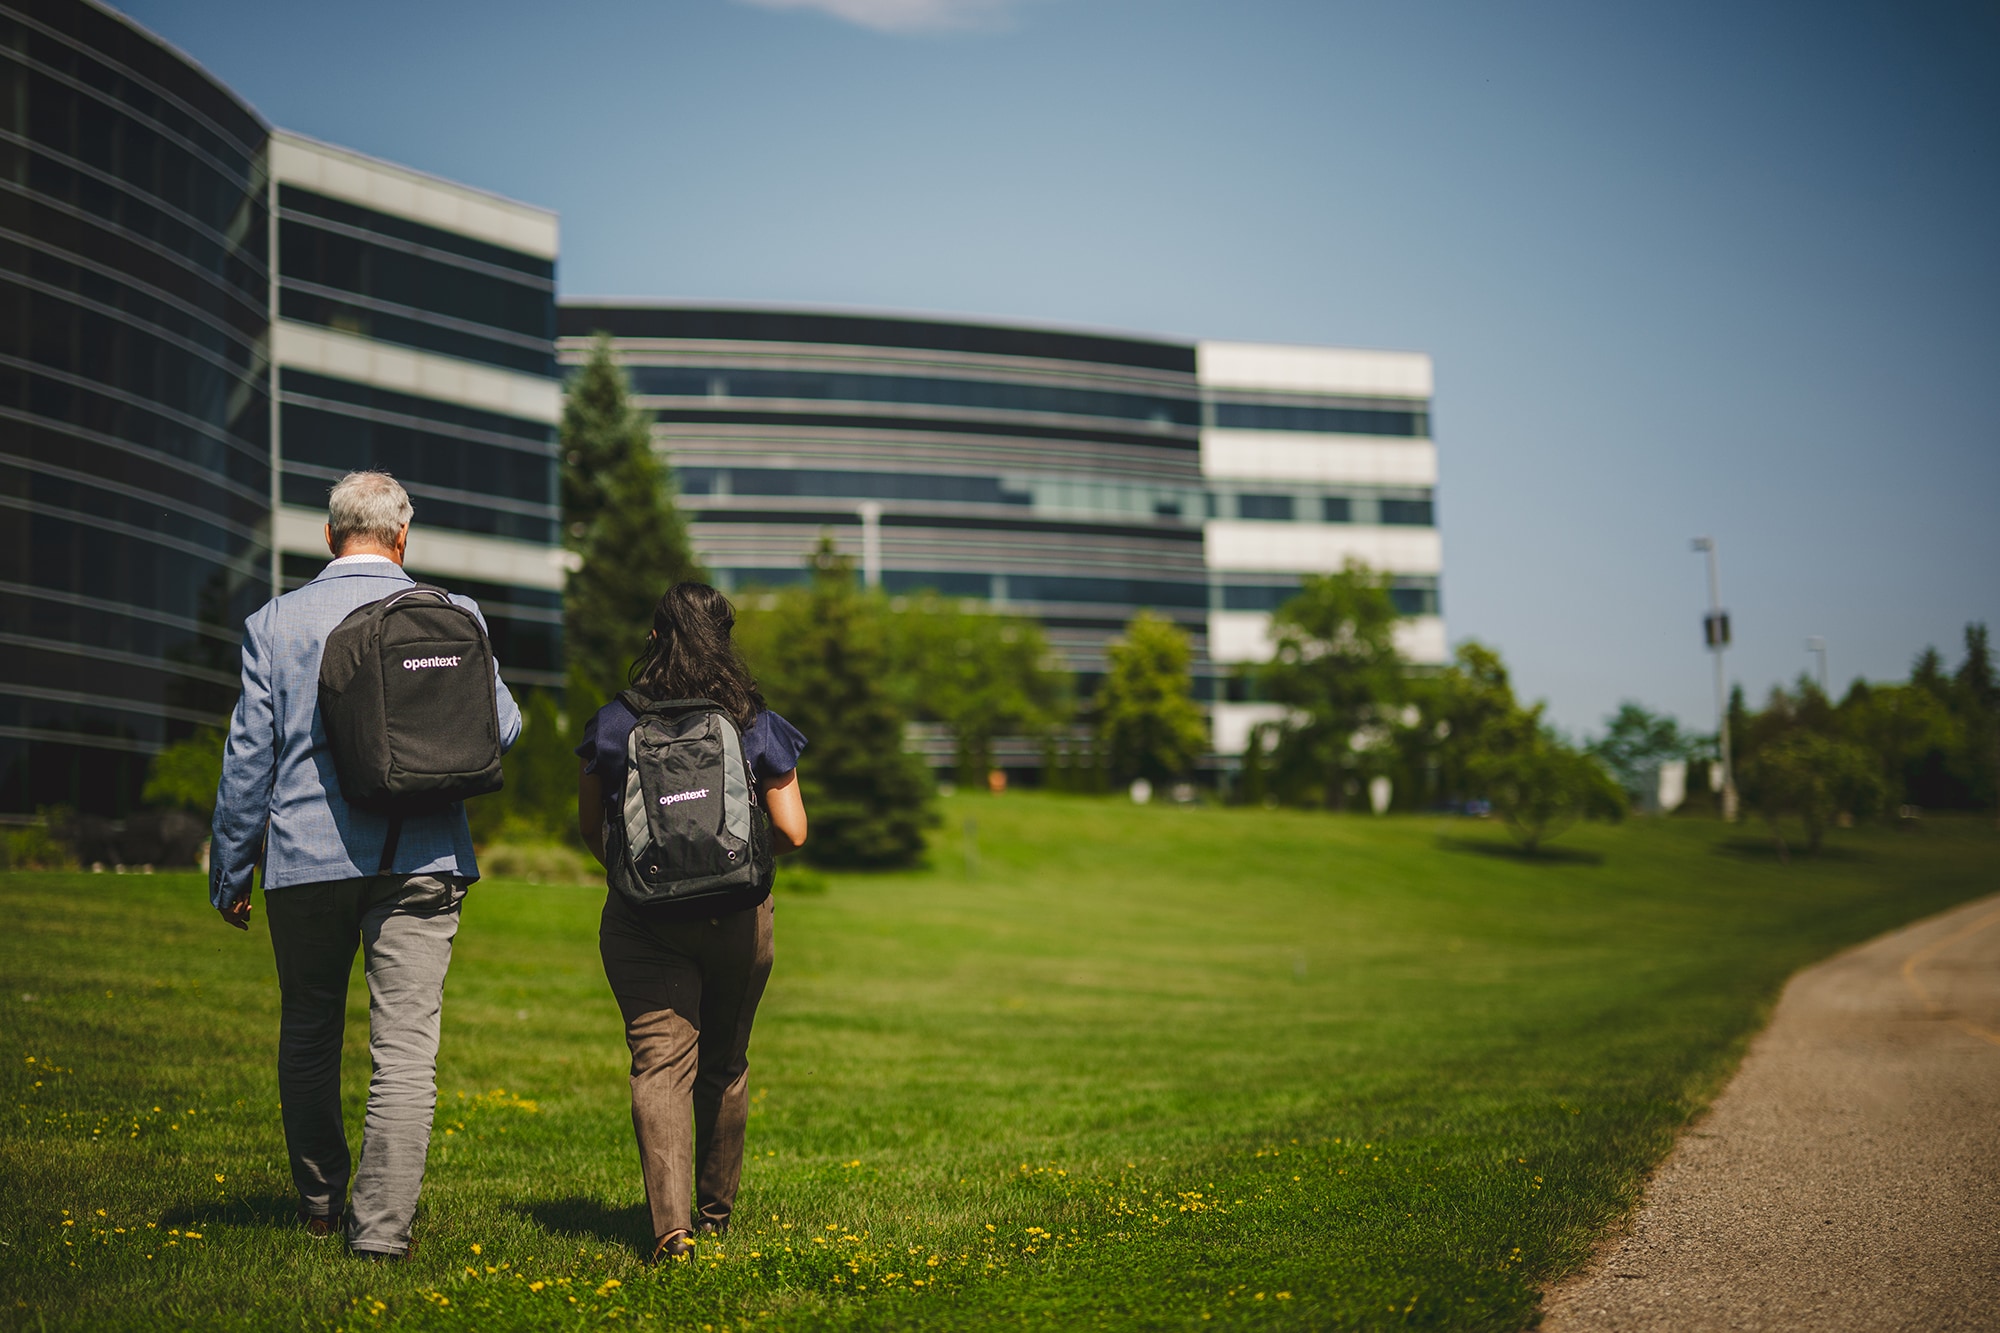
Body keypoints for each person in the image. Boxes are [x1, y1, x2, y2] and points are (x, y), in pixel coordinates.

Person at [209, 470, 521, 1260]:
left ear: (328, 534)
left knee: (310, 1032)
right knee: (407, 1049)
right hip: (423, 856)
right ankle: (380, 1233)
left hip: (308, 859)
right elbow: (505, 725)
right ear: (403, 536)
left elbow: (249, 759)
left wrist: (231, 869)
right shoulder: (455, 617)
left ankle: (318, 1205)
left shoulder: (276, 623)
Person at [574, 582, 808, 1263]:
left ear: (654, 638)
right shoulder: (753, 719)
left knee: (659, 1065)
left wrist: (641, 877)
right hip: (737, 917)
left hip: (642, 920)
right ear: (724, 639)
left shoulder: (615, 722)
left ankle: (669, 1232)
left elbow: (593, 826)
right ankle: (715, 1214)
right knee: (724, 1064)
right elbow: (792, 829)